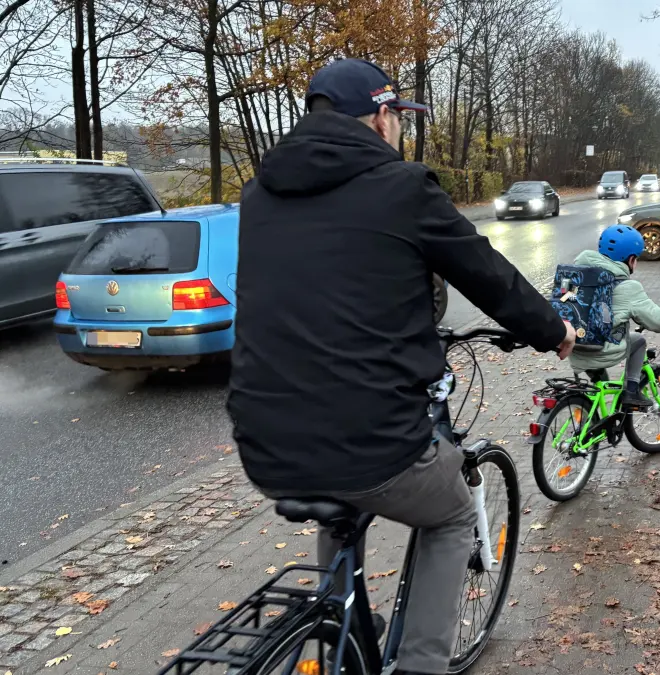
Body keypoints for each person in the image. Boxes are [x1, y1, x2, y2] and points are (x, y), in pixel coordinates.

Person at [227, 58, 575, 675]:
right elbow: (486, 272)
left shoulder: (259, 193)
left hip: (263, 438)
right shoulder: (403, 187)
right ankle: (420, 665)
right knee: (450, 515)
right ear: (382, 116)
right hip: (369, 441)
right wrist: (554, 331)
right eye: (397, 118)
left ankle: (339, 630)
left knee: (337, 487)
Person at [568, 225, 660, 408]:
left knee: (598, 381)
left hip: (573, 344)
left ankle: (595, 415)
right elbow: (655, 318)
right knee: (639, 341)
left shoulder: (578, 272)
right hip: (600, 349)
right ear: (631, 259)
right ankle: (632, 391)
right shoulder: (627, 286)